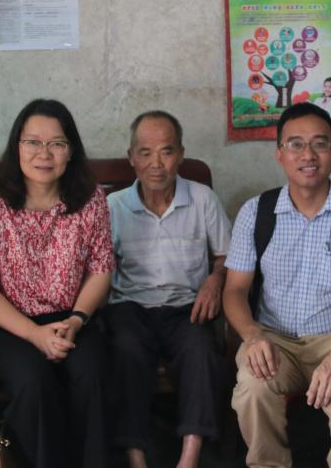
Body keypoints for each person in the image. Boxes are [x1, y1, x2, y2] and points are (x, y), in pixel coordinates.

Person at [222, 102, 331, 468]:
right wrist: (252, 336)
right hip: (273, 338)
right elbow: (235, 290)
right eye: (296, 144)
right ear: (280, 154)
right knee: (252, 388)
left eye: (319, 143)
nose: (308, 155)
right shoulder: (256, 212)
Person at [0, 98, 114, 468]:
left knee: (92, 373)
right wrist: (34, 334)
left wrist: (76, 321)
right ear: (17, 147)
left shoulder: (90, 199)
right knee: (33, 381)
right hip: (7, 323)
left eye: (56, 143)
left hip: (71, 318)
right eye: (32, 142)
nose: (44, 154)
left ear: (70, 151)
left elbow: (100, 270)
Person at [105, 110, 232, 468]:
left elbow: (227, 255)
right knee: (125, 350)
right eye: (145, 153)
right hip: (130, 306)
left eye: (166, 151)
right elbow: (98, 268)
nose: (156, 164)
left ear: (181, 154)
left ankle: (189, 457)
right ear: (131, 157)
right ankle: (135, 456)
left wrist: (215, 279)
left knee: (201, 351)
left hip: (186, 306)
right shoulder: (113, 207)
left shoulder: (202, 199)